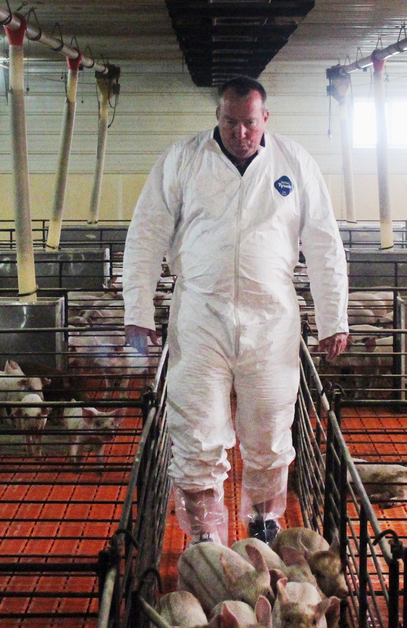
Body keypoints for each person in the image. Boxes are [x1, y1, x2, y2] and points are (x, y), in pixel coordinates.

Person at [121, 75, 349, 546]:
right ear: (217, 117)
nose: (240, 133)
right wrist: (138, 307)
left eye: (249, 123)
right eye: (230, 122)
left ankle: (263, 525)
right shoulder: (183, 160)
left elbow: (324, 244)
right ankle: (205, 540)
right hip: (201, 316)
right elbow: (146, 233)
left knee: (268, 432)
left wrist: (334, 319)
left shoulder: (295, 163)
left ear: (265, 118)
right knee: (196, 431)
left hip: (271, 320)